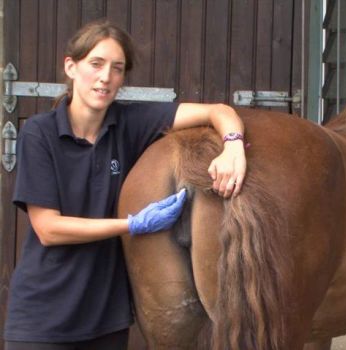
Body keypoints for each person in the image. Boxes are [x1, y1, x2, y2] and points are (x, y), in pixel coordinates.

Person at [4, 20, 246, 350]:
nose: (106, 77)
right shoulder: (39, 132)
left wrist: (233, 146)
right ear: (71, 67)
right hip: (43, 320)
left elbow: (219, 111)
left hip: (107, 321)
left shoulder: (129, 124)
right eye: (96, 64)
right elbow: (48, 228)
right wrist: (132, 225)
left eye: (117, 68)